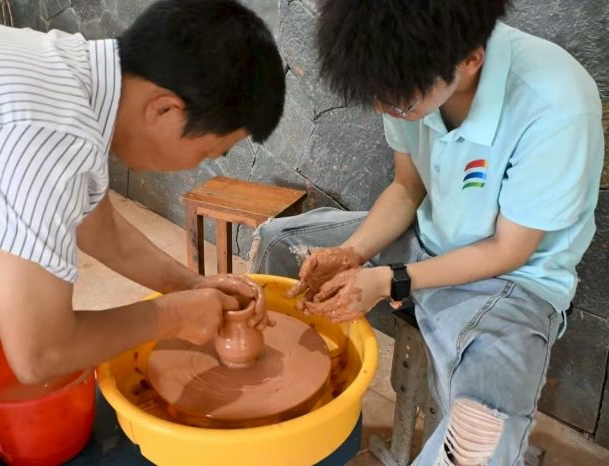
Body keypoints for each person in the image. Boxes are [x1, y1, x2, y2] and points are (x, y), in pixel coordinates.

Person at [0, 0, 284, 464]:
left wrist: (191, 285)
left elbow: (99, 227)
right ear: (165, 109)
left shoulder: (71, 74)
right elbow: (39, 354)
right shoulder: (47, 133)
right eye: (208, 153)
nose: (199, 166)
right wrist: (177, 316)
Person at [251, 1, 604, 464]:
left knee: (479, 437)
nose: (387, 110)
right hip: (425, 237)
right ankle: (301, 414)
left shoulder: (556, 105)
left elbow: (509, 250)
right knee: (281, 246)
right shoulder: (400, 72)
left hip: (511, 281)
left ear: (471, 60)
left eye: (398, 104)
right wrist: (353, 253)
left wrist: (391, 280)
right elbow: (406, 187)